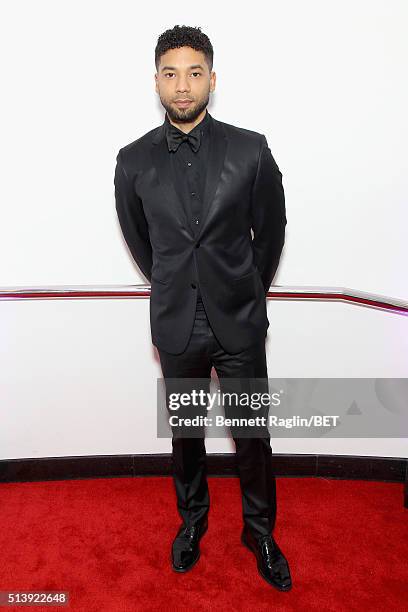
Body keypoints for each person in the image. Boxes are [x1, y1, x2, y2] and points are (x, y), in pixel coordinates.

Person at [114, 24, 291, 591]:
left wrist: (243, 288)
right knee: (186, 434)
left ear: (212, 78)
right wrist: (176, 284)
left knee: (251, 433)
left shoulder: (251, 149)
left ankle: (260, 532)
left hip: (238, 320)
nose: (183, 86)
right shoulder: (132, 160)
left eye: (194, 73)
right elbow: (144, 244)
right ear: (156, 82)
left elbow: (272, 232)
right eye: (171, 74)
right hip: (176, 325)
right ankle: (192, 523)